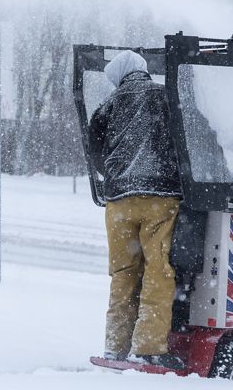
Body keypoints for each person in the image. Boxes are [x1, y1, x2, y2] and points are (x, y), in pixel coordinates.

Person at [87, 50, 184, 370]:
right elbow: (194, 136)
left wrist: (117, 176)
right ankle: (148, 347)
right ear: (142, 70)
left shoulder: (108, 106)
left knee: (123, 273)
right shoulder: (166, 97)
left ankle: (115, 346)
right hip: (160, 198)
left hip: (118, 203)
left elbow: (95, 150)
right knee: (158, 270)